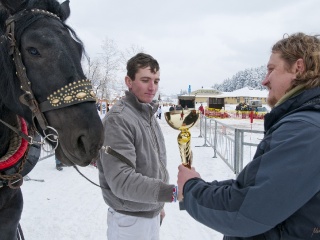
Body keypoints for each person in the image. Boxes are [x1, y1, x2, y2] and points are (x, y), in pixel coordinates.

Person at [177, 32, 320, 239]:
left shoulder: (304, 130)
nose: (264, 80)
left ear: (298, 68)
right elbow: (261, 186)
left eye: (271, 69)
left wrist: (191, 189)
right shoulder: (305, 124)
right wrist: (202, 185)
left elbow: (245, 210)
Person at [97, 53, 177, 240]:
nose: (152, 88)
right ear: (129, 81)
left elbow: (153, 165)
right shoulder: (119, 119)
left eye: (156, 81)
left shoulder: (146, 113)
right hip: (129, 220)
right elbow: (122, 181)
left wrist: (159, 205)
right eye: (145, 80)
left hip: (149, 212)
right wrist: (171, 193)